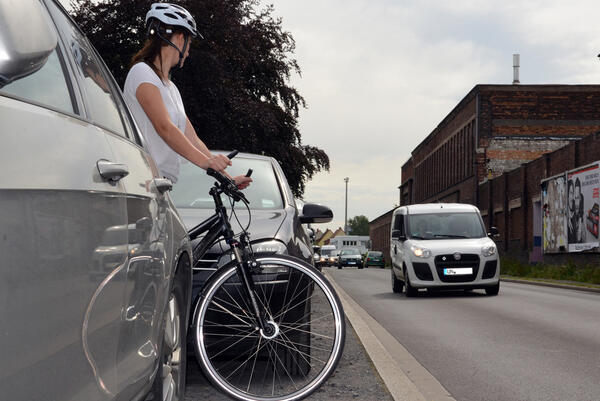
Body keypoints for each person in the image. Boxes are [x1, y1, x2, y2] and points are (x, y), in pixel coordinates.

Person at [123, 3, 251, 188]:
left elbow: (192, 139)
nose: (189, 51)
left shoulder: (171, 88)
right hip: (142, 181)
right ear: (180, 39)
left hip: (160, 183)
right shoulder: (142, 72)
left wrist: (227, 178)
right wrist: (205, 163)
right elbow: (164, 127)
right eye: (190, 43)